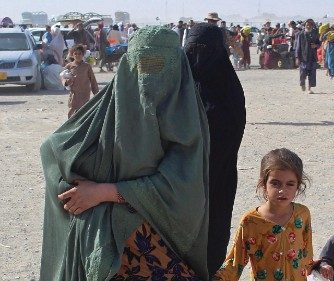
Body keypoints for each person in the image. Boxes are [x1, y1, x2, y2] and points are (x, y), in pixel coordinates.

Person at [40, 26, 210, 280]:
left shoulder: (186, 120)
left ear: (177, 67)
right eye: (143, 64)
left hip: (157, 235)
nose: (150, 77)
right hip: (103, 236)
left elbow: (184, 189)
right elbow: (52, 150)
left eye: (159, 65)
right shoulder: (106, 111)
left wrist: (104, 192)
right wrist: (81, 191)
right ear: (128, 65)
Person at [184, 23, 246, 277]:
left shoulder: (229, 91)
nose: (198, 57)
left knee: (211, 243)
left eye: (205, 50)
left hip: (215, 179)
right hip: (180, 184)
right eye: (193, 50)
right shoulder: (178, 89)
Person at [214, 148, 313, 280]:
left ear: (298, 186)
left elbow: (307, 255)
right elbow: (235, 262)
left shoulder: (302, 214)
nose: (282, 190)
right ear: (263, 184)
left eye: (290, 184)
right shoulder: (251, 221)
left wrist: (322, 265)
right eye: (275, 183)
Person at [61, 44, 98, 118]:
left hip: (85, 93)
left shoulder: (87, 66)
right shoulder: (69, 66)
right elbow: (62, 76)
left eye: (79, 54)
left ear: (83, 54)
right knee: (72, 109)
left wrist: (96, 93)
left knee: (84, 111)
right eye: (75, 54)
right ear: (72, 54)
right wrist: (66, 82)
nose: (77, 55)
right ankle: (70, 125)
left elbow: (93, 80)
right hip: (75, 92)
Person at [295, 19, 320, 94]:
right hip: (303, 57)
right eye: (307, 25)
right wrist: (297, 57)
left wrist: (316, 45)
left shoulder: (315, 34)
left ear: (312, 26)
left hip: (312, 57)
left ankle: (309, 88)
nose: (308, 26)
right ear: (305, 25)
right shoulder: (301, 34)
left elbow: (319, 43)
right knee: (303, 73)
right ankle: (302, 84)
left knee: (312, 74)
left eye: (310, 25)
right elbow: (298, 47)